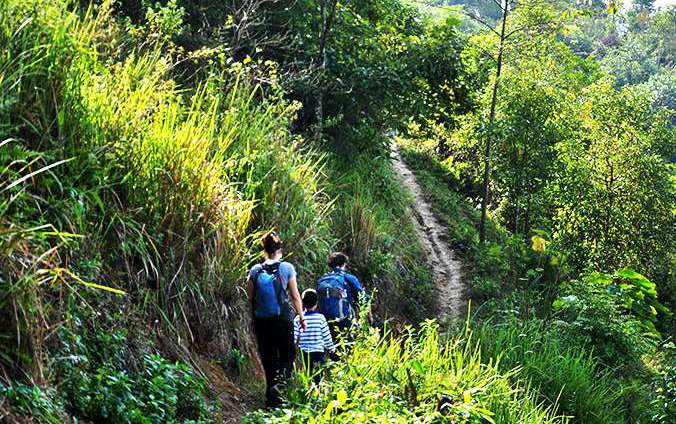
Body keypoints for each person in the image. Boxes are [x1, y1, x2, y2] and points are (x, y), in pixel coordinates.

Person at [247, 231, 305, 408]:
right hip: (283, 320)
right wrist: (302, 317)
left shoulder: (255, 270)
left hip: (262, 321)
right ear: (279, 249)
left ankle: (270, 396)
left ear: (264, 250)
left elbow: (250, 297)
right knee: (288, 355)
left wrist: (254, 318)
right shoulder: (286, 268)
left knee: (268, 357)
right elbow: (295, 296)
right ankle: (281, 391)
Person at [316, 252, 366, 342]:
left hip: (325, 320)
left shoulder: (322, 280)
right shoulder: (349, 278)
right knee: (348, 347)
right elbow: (362, 298)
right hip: (344, 319)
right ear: (344, 264)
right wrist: (368, 318)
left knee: (333, 347)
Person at [293, 289, 335, 384]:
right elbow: (327, 336)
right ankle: (318, 390)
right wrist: (332, 349)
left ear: (302, 303)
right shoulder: (321, 318)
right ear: (316, 303)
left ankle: (308, 392)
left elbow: (294, 337)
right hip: (318, 352)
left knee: (307, 373)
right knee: (318, 375)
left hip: (304, 353)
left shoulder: (298, 319)